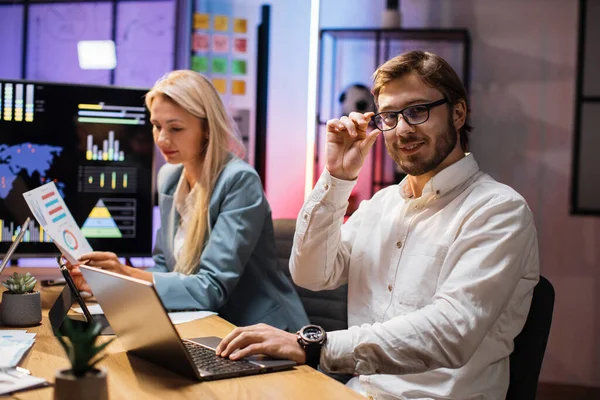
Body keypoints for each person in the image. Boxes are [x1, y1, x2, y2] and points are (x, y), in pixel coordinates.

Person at [215, 50, 540, 399]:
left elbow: (451, 331)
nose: (402, 130)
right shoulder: (381, 206)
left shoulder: (498, 210)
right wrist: (338, 178)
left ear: (458, 113)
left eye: (417, 111)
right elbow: (311, 273)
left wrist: (315, 347)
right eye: (389, 116)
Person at [67, 70, 309, 332]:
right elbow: (163, 265)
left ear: (207, 129)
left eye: (176, 128)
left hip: (259, 331)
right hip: (204, 325)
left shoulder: (239, 181)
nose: (161, 139)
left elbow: (211, 288)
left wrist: (124, 274)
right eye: (157, 125)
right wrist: (107, 282)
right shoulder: (170, 176)